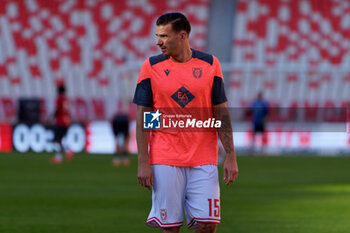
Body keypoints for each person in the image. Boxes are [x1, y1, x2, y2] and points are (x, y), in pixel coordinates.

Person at [133, 12, 238, 233]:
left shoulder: (210, 64)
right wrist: (143, 161)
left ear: (182, 36)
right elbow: (146, 117)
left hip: (204, 158)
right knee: (170, 228)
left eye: (164, 36)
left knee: (208, 225)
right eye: (157, 35)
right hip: (165, 157)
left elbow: (220, 113)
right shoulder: (151, 67)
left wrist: (230, 155)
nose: (158, 42)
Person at [50, 84, 74, 164]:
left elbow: (58, 109)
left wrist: (52, 116)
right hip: (66, 121)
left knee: (57, 139)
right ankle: (61, 155)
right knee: (59, 139)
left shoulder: (59, 99)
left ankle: (64, 153)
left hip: (60, 121)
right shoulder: (66, 99)